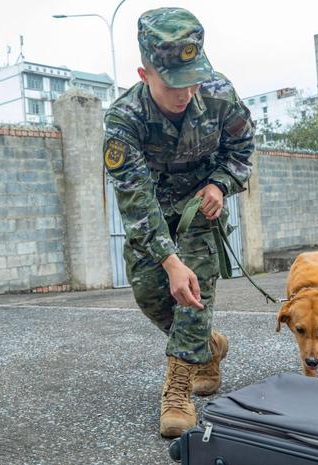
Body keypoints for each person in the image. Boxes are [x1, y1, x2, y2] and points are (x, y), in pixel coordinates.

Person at [102, 7, 255, 438]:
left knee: (192, 294)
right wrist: (168, 261)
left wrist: (221, 185)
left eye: (192, 78)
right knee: (152, 294)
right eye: (172, 81)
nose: (185, 92)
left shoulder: (220, 95)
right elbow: (135, 202)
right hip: (151, 215)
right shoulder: (123, 121)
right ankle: (208, 346)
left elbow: (242, 148)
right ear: (144, 73)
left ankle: (178, 389)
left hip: (198, 212)